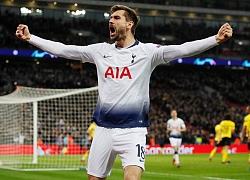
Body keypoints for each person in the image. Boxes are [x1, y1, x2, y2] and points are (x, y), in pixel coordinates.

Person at [15, 4, 233, 180]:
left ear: (129, 24)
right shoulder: (100, 51)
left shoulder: (147, 52)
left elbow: (183, 49)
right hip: (103, 130)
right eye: (110, 18)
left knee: (131, 178)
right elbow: (64, 50)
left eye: (116, 18)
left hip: (133, 131)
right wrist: (30, 38)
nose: (111, 20)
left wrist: (216, 39)